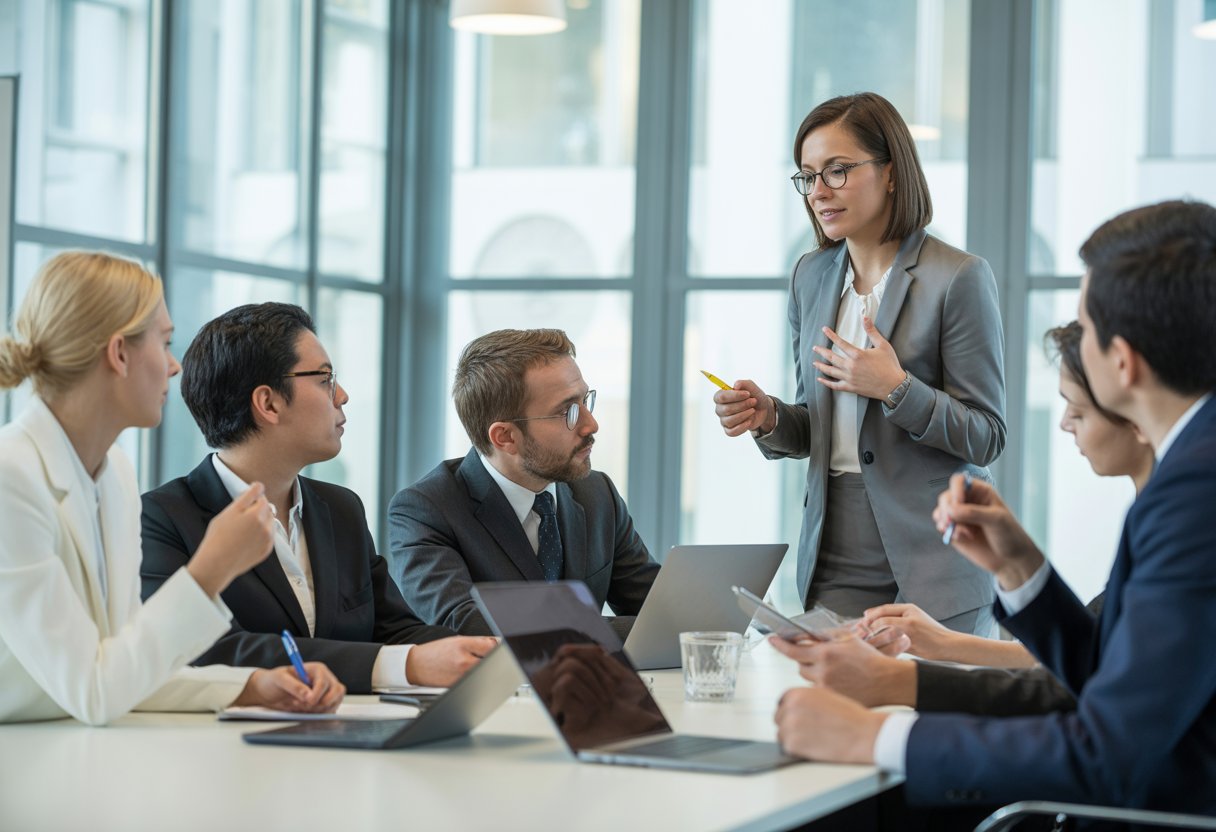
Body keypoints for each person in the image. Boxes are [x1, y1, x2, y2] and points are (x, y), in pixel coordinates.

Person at [772, 200, 1216, 813]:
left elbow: (1105, 754)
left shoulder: (1195, 496)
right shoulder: (1192, 468)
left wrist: (876, 735)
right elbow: (1109, 678)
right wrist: (1022, 570)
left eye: (1085, 328)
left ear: (1123, 360)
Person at [0, 252, 343, 725]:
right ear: (119, 354)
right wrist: (211, 569)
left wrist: (246, 687)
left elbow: (122, 661)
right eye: (163, 344)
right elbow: (94, 691)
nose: (175, 366)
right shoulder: (10, 478)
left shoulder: (114, 471)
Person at [712, 92, 1005, 635]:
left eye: (838, 171)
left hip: (938, 562)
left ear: (891, 172)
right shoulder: (810, 276)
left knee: (926, 719)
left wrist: (897, 389)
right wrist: (770, 417)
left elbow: (987, 436)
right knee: (831, 715)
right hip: (836, 555)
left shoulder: (958, 278)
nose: (819, 191)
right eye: (807, 176)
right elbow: (815, 426)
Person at [771, 320, 1154, 717]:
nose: (1063, 422)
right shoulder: (1152, 512)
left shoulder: (1179, 526)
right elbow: (1088, 655)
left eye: (1078, 407)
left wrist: (893, 691)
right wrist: (942, 641)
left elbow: (1081, 688)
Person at [141, 303, 496, 693]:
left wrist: (490, 653)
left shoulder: (341, 508)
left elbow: (392, 629)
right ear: (269, 403)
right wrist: (405, 665)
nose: (341, 395)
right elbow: (209, 652)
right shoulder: (161, 519)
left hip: (351, 736)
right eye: (325, 379)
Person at [388, 328, 660, 637]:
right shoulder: (426, 510)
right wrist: (644, 631)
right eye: (568, 411)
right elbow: (469, 625)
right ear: (505, 437)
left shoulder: (597, 494)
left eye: (586, 401)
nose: (590, 423)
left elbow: (663, 610)